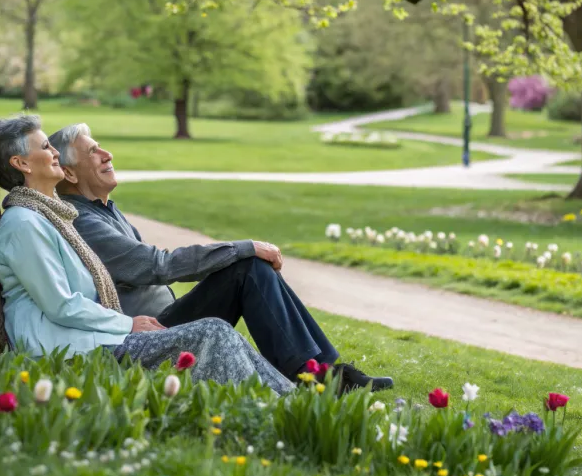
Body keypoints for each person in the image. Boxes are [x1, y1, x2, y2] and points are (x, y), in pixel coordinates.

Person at [48, 123, 394, 394]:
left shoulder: (104, 210)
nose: (107, 153)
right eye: (92, 152)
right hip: (145, 339)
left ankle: (328, 372)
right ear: (71, 173)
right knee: (247, 267)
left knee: (249, 268)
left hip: (159, 323)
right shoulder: (85, 222)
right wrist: (242, 247)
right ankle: (319, 378)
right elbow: (158, 265)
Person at [0, 115, 293, 395]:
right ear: (22, 163)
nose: (54, 152)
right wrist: (127, 324)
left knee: (218, 330)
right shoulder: (23, 223)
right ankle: (274, 408)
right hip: (66, 350)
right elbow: (60, 304)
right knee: (212, 331)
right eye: (44, 146)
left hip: (90, 339)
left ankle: (291, 398)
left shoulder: (51, 218)